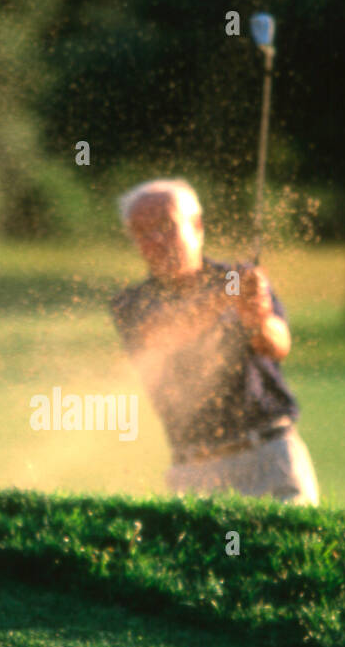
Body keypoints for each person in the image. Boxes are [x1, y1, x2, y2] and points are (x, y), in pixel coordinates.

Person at [110, 178, 319, 504]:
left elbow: (278, 346)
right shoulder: (131, 303)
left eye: (166, 226)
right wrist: (228, 295)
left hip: (269, 454)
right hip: (195, 471)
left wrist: (258, 320)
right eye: (142, 232)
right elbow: (165, 333)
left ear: (197, 226)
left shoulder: (237, 278)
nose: (155, 239)